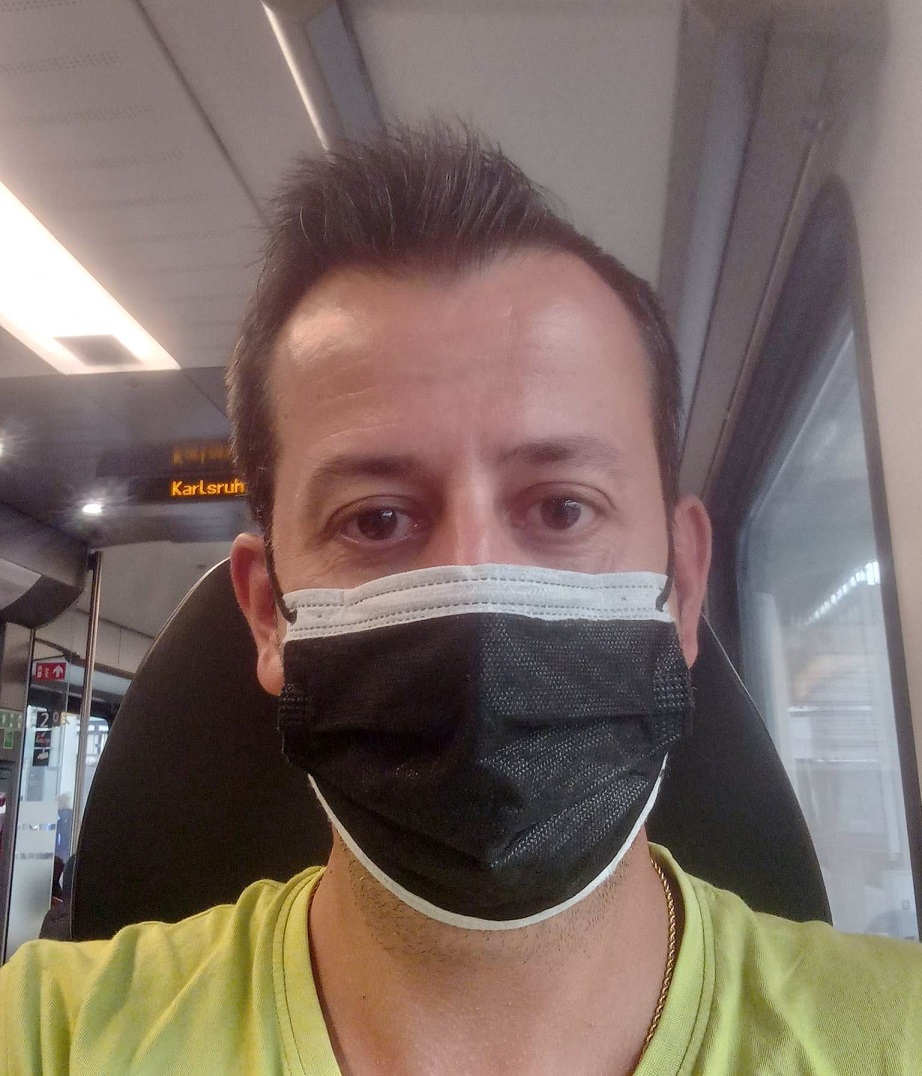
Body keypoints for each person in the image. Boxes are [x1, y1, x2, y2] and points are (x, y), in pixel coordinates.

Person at [1, 124, 920, 1075]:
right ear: (269, 615)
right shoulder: (50, 1035)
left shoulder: (896, 1036)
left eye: (562, 508)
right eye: (377, 519)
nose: (477, 593)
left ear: (683, 588)